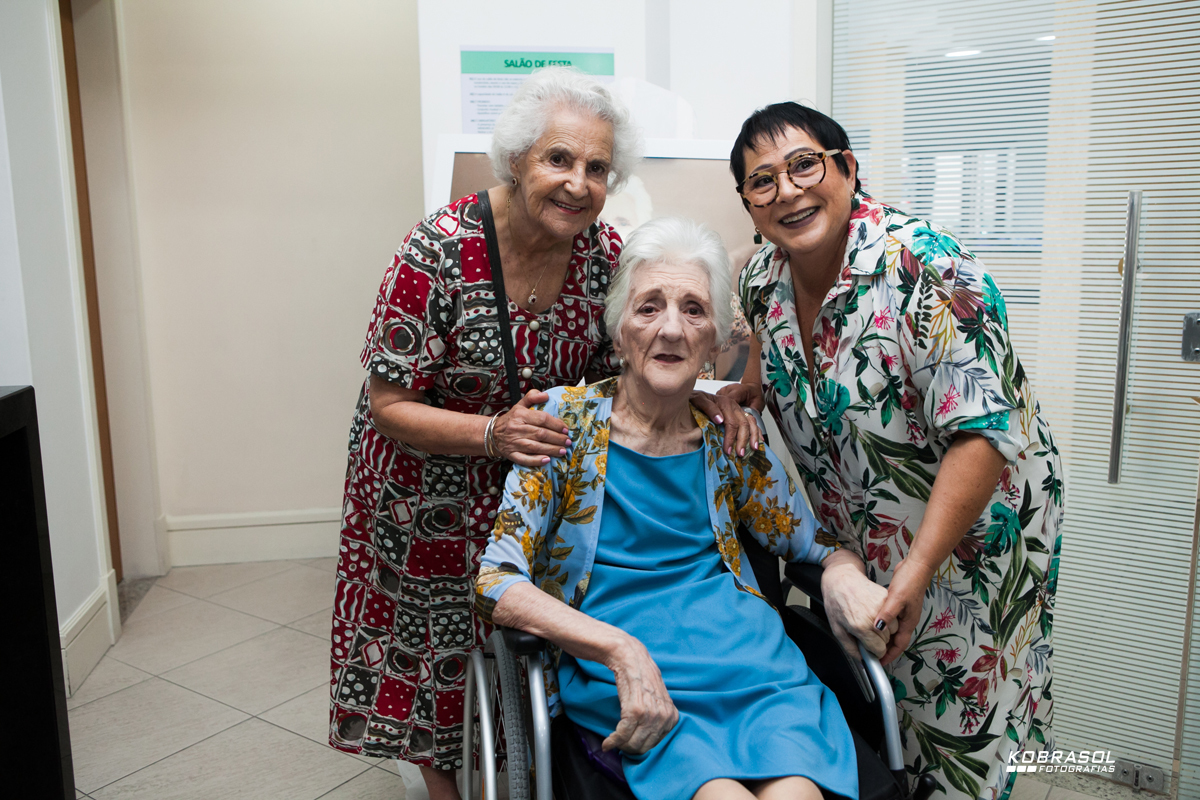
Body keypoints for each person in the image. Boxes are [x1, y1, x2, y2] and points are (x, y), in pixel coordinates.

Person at [327, 68, 754, 800]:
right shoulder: (435, 251)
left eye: (596, 167)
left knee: (522, 639)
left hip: (535, 478)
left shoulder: (598, 255)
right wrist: (492, 433)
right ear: (518, 158)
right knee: (432, 656)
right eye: (559, 159)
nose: (577, 183)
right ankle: (444, 788)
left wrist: (704, 398)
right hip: (424, 485)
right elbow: (389, 401)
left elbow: (631, 360)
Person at [706, 102, 1063, 800]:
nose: (788, 190)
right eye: (763, 180)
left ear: (846, 168)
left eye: (805, 164)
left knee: (969, 713)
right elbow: (769, 380)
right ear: (748, 203)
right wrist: (731, 397)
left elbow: (983, 434)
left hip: (973, 535)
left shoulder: (935, 267)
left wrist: (918, 571)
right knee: (881, 710)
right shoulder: (759, 281)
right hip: (862, 526)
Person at [476, 217, 891, 800]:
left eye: (694, 310)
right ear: (619, 333)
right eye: (649, 307)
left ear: (716, 340)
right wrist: (618, 648)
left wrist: (843, 573)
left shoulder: (731, 438)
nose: (671, 328)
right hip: (633, 673)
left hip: (755, 670)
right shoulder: (562, 427)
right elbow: (496, 580)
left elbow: (812, 544)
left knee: (798, 793)